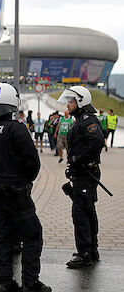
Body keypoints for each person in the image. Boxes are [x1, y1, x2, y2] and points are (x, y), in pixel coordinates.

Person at [0, 83, 51, 292]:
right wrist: (25, 182)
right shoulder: (17, 128)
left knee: (2, 238)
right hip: (17, 192)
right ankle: (30, 282)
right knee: (32, 235)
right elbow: (32, 162)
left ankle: (4, 283)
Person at [58, 86, 104, 269]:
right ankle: (92, 249)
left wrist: (78, 160)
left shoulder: (87, 120)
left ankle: (84, 252)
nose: (68, 104)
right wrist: (73, 165)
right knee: (88, 210)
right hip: (83, 173)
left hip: (86, 173)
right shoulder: (80, 120)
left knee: (81, 214)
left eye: (71, 101)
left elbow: (97, 141)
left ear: (81, 102)